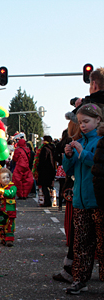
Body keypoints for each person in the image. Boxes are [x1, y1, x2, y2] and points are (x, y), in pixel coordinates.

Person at [63, 103, 104, 294]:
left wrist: (81, 152)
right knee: (81, 244)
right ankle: (79, 279)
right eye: (80, 123)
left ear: (98, 120)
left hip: (98, 201)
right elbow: (69, 170)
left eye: (86, 121)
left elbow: (97, 163)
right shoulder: (82, 141)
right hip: (80, 202)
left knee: (102, 244)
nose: (83, 126)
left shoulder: (100, 141)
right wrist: (68, 156)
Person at [0, 168, 17, 247]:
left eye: (8, 177)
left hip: (10, 211)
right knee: (0, 225)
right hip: (0, 210)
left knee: (10, 226)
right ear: (0, 180)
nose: (6, 179)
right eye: (3, 178)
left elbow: (11, 194)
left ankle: (9, 240)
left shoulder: (12, 187)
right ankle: (3, 238)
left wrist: (1, 191)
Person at [34, 136, 56, 207]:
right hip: (51, 170)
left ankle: (47, 202)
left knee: (44, 187)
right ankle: (52, 201)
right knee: (50, 187)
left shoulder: (44, 149)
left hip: (44, 171)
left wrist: (38, 169)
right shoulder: (53, 148)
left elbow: (42, 161)